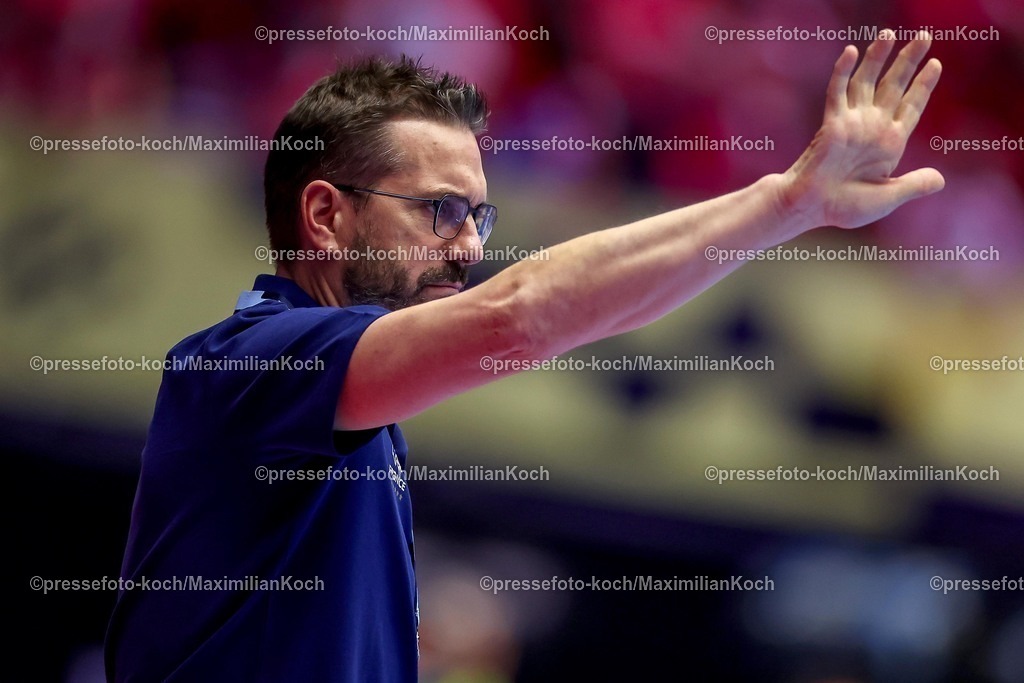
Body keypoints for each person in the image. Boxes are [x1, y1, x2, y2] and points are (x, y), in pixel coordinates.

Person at [105, 32, 943, 682]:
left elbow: (593, 318)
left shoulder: (347, 403)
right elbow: (520, 317)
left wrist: (790, 218)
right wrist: (784, 201)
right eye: (439, 211)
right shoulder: (247, 362)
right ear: (324, 215)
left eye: (480, 216)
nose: (468, 245)